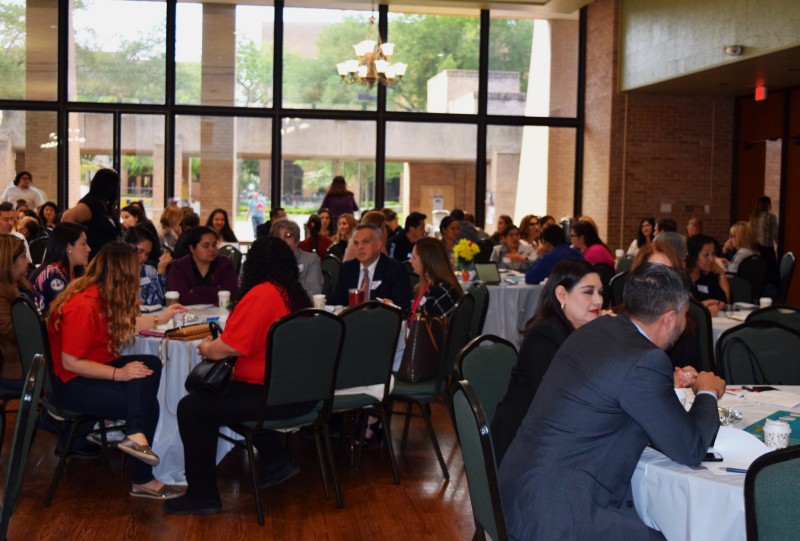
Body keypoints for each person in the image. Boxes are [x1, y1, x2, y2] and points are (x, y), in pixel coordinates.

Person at [499, 263, 725, 540]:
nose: (683, 322)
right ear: (668, 318)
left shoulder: (594, 330)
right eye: (684, 314)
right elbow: (690, 449)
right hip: (560, 513)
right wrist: (707, 391)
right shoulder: (645, 361)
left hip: (516, 493)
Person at [163, 237, 313, 515]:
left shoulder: (261, 295)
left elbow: (230, 347)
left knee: (192, 407)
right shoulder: (293, 294)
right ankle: (277, 459)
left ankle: (202, 495)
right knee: (220, 396)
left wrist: (207, 348)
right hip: (299, 393)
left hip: (268, 395)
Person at [47, 242, 186, 499]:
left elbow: (124, 324)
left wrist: (162, 317)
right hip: (70, 383)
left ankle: (134, 433)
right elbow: (70, 362)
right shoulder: (84, 305)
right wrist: (117, 375)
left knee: (150, 365)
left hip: (89, 370)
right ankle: (143, 479)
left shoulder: (97, 294)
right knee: (148, 405)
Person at [492, 260, 602, 464]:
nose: (598, 300)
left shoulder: (584, 333)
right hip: (523, 448)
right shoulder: (544, 336)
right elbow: (561, 400)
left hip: (554, 436)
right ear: (562, 295)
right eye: (588, 292)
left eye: (600, 292)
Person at [331, 224, 412, 313]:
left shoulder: (395, 270)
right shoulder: (347, 268)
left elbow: (403, 308)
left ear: (378, 244)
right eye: (356, 243)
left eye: (365, 242)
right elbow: (336, 304)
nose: (360, 247)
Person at [0, 234, 43, 385]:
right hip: (16, 366)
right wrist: (42, 323)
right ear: (9, 261)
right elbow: (9, 330)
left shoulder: (20, 285)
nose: (29, 261)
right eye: (24, 256)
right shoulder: (2, 292)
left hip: (26, 359)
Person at [167, 226, 238, 305]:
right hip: (188, 314)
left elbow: (232, 294)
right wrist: (217, 292)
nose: (212, 249)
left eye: (214, 245)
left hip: (221, 314)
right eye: (206, 246)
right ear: (192, 249)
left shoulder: (225, 264)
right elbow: (181, 298)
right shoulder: (179, 266)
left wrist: (196, 290)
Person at [61, 168, 121, 258]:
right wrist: (78, 242)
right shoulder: (90, 204)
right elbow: (67, 217)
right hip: (94, 258)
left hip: (108, 259)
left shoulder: (105, 206)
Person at [31, 222, 91, 310]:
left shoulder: (75, 271)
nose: (89, 249)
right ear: (69, 247)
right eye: (83, 244)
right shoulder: (52, 274)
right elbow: (63, 313)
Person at [408, 237, 463, 321]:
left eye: (414, 257)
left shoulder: (442, 291)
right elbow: (417, 317)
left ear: (426, 263)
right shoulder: (425, 284)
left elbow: (430, 327)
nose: (410, 260)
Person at [271, 218, 322, 298]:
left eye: (288, 236)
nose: (282, 240)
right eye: (278, 236)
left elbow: (313, 293)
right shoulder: (267, 261)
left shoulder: (310, 260)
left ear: (297, 241)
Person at [124, 225, 171, 306]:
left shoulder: (149, 271)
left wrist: (161, 270)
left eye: (147, 254)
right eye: (139, 251)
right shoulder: (114, 271)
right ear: (127, 247)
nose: (143, 258)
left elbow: (158, 302)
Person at [686, 234, 729, 314]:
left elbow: (724, 303)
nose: (711, 259)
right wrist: (704, 306)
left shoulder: (709, 276)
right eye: (706, 255)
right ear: (693, 256)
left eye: (713, 254)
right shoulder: (681, 277)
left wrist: (721, 273)